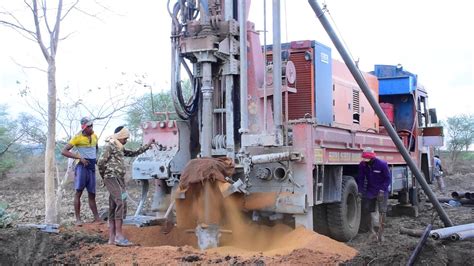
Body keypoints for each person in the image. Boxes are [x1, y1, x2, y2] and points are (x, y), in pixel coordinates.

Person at [97, 126, 154, 246]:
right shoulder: (110, 145)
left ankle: (112, 238)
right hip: (111, 178)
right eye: (125, 138)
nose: (126, 140)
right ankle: (119, 235)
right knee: (121, 202)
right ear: (120, 137)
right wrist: (104, 176)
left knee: (114, 205)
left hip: (119, 179)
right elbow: (101, 162)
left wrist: (148, 145)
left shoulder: (119, 146)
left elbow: (133, 153)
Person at [61, 117, 101, 226]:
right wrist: (79, 157)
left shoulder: (94, 136)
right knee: (78, 192)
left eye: (92, 125)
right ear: (83, 127)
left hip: (91, 167)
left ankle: (97, 218)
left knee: (92, 193)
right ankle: (78, 219)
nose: (91, 128)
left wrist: (95, 158)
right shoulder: (77, 138)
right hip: (82, 167)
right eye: (89, 126)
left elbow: (95, 149)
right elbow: (64, 151)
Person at [356, 147, 391, 242]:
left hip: (381, 190)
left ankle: (381, 234)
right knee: (367, 209)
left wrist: (382, 191)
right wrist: (360, 191)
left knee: (382, 211)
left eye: (368, 159)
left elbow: (388, 179)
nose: (366, 161)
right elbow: (361, 179)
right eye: (365, 159)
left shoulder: (382, 164)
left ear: (372, 158)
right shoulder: (363, 165)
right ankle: (372, 232)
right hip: (370, 190)